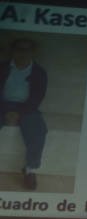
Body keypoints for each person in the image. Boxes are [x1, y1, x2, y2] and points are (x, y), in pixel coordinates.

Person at [1, 38, 48, 190]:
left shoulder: (39, 72)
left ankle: (30, 170)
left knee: (38, 130)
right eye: (19, 49)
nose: (22, 53)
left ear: (32, 52)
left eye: (27, 50)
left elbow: (37, 97)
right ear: (13, 51)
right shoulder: (2, 68)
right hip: (2, 105)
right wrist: (6, 110)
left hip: (27, 107)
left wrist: (19, 113)